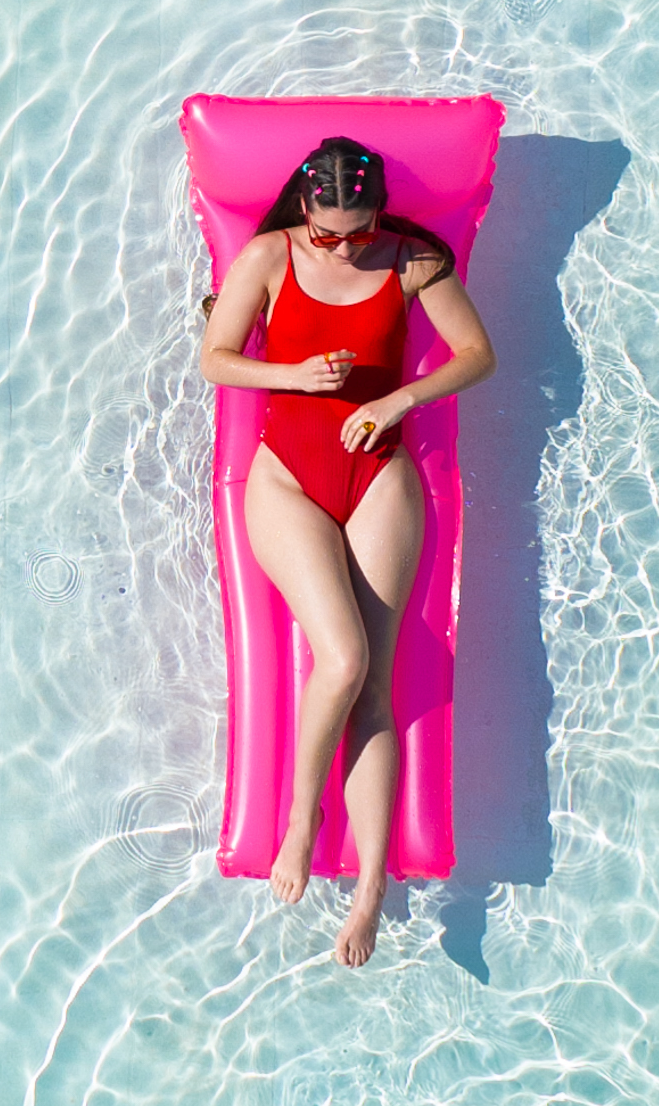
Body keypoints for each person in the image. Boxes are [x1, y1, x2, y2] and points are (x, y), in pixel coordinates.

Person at [198, 132, 494, 969]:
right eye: (330, 232)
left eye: (359, 230)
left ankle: (369, 892)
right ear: (304, 205)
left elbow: (478, 356)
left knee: (377, 686)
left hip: (378, 474)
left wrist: (401, 397)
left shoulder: (408, 261)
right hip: (288, 477)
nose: (345, 244)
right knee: (342, 658)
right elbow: (213, 359)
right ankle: (303, 820)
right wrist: (294, 377)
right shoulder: (268, 254)